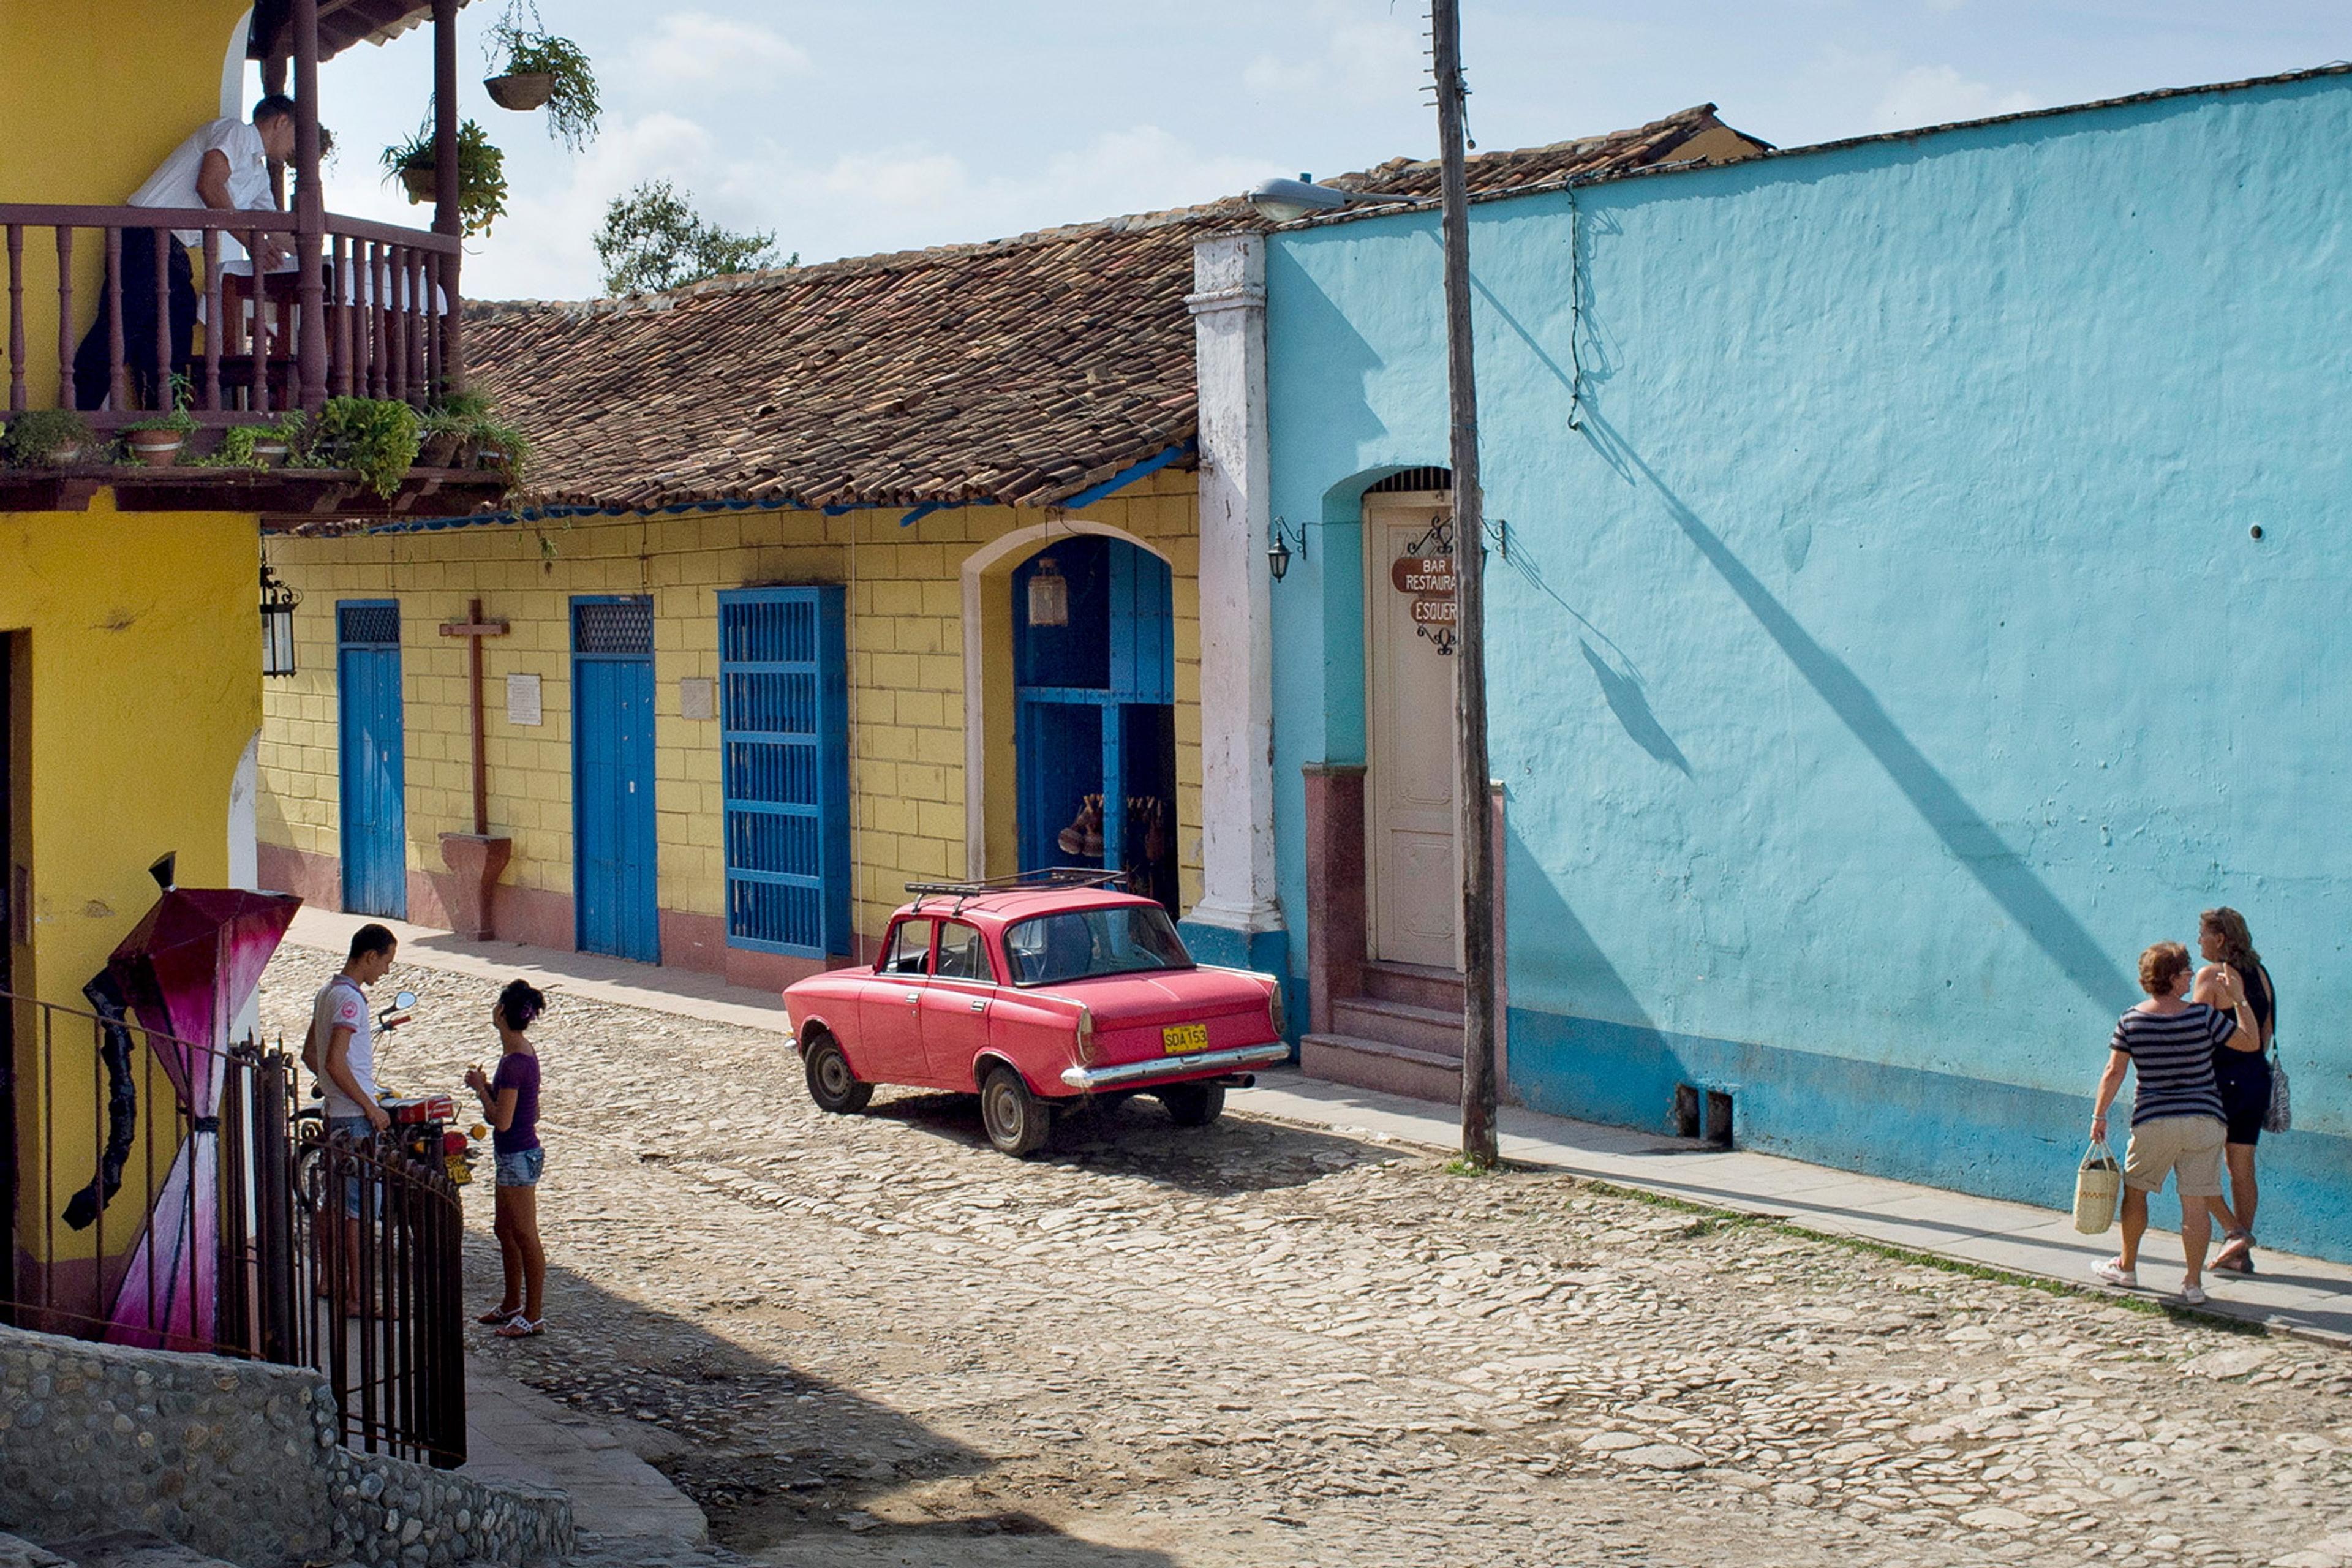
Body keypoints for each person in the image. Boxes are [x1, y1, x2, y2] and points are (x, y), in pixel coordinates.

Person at [74, 94, 296, 410]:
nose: (295, 147)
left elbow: (273, 225)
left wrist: (314, 250)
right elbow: (210, 184)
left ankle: (163, 429)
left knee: (172, 336)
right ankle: (73, 419)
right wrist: (250, 241)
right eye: (296, 135)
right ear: (281, 121)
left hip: (172, 248)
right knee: (119, 330)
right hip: (143, 234)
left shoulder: (258, 176)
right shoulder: (236, 132)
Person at [2089, 940, 2256, 1305]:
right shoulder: (2202, 1016)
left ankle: (2127, 1266)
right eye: (2186, 972)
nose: (2190, 977)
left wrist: (2100, 1115)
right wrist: (2239, 1000)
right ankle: (2193, 1284)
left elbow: (2114, 1071)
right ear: (2174, 977)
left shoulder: (2131, 1019)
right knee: (2195, 1204)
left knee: (2137, 1191)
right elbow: (2249, 1043)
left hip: (2154, 1120)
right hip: (2204, 1120)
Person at [303, 922, 396, 1311]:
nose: (386, 972)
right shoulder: (351, 1000)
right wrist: (368, 1105)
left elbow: (312, 1055)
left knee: (332, 1201)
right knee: (358, 1209)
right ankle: (359, 1295)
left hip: (334, 1114)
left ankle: (329, 1279)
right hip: (355, 1118)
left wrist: (330, 1088)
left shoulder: (328, 992)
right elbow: (334, 1061)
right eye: (386, 962)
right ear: (370, 956)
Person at [2193, 907, 2275, 1274]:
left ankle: (2233, 1234)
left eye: (2203, 934)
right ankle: (2241, 1251)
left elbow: (2193, 1034)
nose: (2199, 941)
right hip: (2256, 1077)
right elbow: (2266, 1033)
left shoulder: (2212, 976)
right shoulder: (2261, 975)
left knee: (2195, 1161)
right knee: (2242, 1166)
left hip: (2219, 1080)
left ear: (2221, 938)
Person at [467, 980, 548, 1339]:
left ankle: (533, 1314)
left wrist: (481, 1090)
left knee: (525, 1235)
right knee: (504, 1229)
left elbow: (502, 1119)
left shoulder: (515, 1062)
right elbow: (534, 1110)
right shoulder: (522, 1053)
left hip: (517, 1155)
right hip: (512, 1153)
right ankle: (512, 1302)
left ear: (502, 1012)